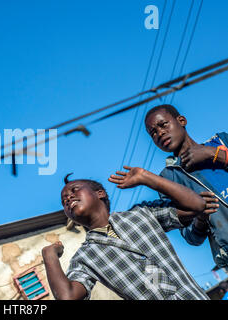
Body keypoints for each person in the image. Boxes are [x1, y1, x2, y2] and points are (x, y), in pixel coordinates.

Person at [42, 165, 218, 300]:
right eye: (64, 201)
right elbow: (67, 296)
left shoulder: (142, 213)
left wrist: (146, 177)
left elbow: (197, 205)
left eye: (74, 190)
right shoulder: (85, 257)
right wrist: (49, 255)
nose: (69, 198)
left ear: (100, 193)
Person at [144, 104, 228, 270]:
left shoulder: (221, 141)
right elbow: (192, 238)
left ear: (181, 120)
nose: (160, 133)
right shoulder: (169, 180)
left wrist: (214, 154)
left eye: (163, 125)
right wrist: (201, 217)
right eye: (153, 133)